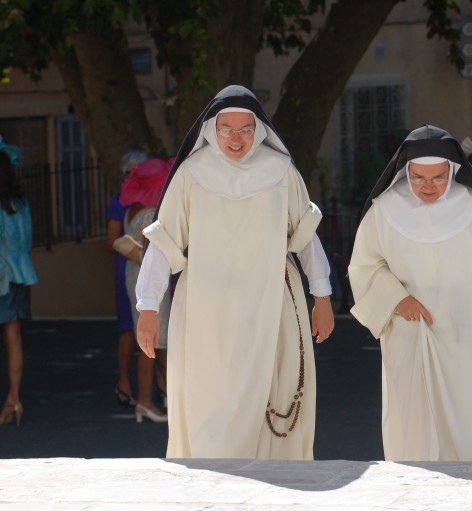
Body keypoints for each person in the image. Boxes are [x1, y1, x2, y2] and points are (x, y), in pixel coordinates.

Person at [134, 85, 335, 459]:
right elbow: (164, 243)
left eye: (245, 129)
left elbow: (306, 238)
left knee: (271, 401)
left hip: (271, 305)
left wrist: (321, 296)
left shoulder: (280, 171)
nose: (236, 138)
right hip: (205, 311)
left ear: (258, 130)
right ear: (212, 129)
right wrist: (148, 308)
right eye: (228, 128)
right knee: (210, 401)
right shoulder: (191, 174)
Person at [348, 125, 472, 461]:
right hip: (411, 330)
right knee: (414, 418)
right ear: (406, 171)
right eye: (418, 178)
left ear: (452, 171)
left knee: (470, 413)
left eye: (437, 178)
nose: (427, 187)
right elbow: (363, 266)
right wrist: (396, 298)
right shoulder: (385, 209)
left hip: (470, 325)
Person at [116, 157, 174, 423]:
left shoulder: (131, 208)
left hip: (134, 275)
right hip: (151, 279)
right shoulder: (152, 212)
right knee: (154, 342)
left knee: (152, 341)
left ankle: (158, 397)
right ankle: (147, 401)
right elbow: (160, 253)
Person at [0, 146, 38, 426]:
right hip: (20, 274)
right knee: (14, 339)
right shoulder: (21, 203)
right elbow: (27, 242)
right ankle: (14, 399)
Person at [107, 150, 148, 407]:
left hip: (152, 267)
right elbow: (111, 241)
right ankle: (124, 381)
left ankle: (161, 385)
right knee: (128, 330)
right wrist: (134, 251)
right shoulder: (119, 201)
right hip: (129, 267)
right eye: (130, 172)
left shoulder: (156, 199)